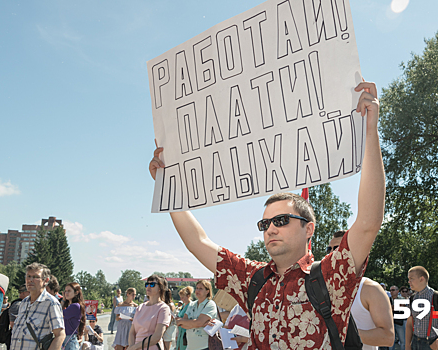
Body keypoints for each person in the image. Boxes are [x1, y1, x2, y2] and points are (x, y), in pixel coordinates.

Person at [149, 81, 385, 349]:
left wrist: (370, 130)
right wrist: (166, 189)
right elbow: (198, 243)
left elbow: (368, 222)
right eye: (265, 223)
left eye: (281, 220)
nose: (270, 228)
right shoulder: (253, 279)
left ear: (309, 229)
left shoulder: (330, 276)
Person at [328, 232, 394, 350]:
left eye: (338, 248)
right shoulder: (323, 286)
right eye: (329, 249)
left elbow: (387, 337)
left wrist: (339, 333)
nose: (332, 253)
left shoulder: (370, 289)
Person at [10, 262, 65, 350]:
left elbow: (60, 335)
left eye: (35, 277)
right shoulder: (24, 302)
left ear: (46, 281)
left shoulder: (51, 303)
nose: (30, 280)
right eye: (28, 276)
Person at [405, 266, 438, 350]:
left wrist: (436, 344)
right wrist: (407, 345)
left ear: (421, 279)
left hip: (432, 342)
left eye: (411, 278)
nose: (409, 281)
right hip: (415, 342)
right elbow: (409, 323)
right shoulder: (412, 299)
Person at [129, 275, 171, 350]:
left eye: (152, 284)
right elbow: (132, 332)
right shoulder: (140, 307)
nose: (148, 286)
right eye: (146, 284)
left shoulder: (163, 308)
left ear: (160, 288)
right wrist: (131, 346)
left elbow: (157, 336)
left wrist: (134, 347)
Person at [175, 280, 217, 350]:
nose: (197, 290)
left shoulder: (210, 304)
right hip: (190, 346)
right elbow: (183, 326)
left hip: (205, 346)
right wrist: (201, 324)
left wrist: (182, 321)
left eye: (201, 288)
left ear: (207, 291)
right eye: (197, 288)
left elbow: (198, 322)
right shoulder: (191, 304)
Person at [62, 282, 86, 350]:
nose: (66, 293)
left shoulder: (75, 306)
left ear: (76, 292)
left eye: (69, 291)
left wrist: (63, 301)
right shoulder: (70, 307)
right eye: (65, 291)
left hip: (69, 340)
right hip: (68, 340)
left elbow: (57, 314)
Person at [389, 286, 405, 350]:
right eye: (390, 290)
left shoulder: (402, 299)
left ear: (397, 291)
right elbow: (386, 309)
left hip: (399, 322)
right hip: (391, 323)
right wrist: (397, 306)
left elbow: (403, 307)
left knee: (403, 341)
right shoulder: (388, 299)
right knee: (391, 341)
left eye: (393, 290)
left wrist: (391, 307)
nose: (391, 292)